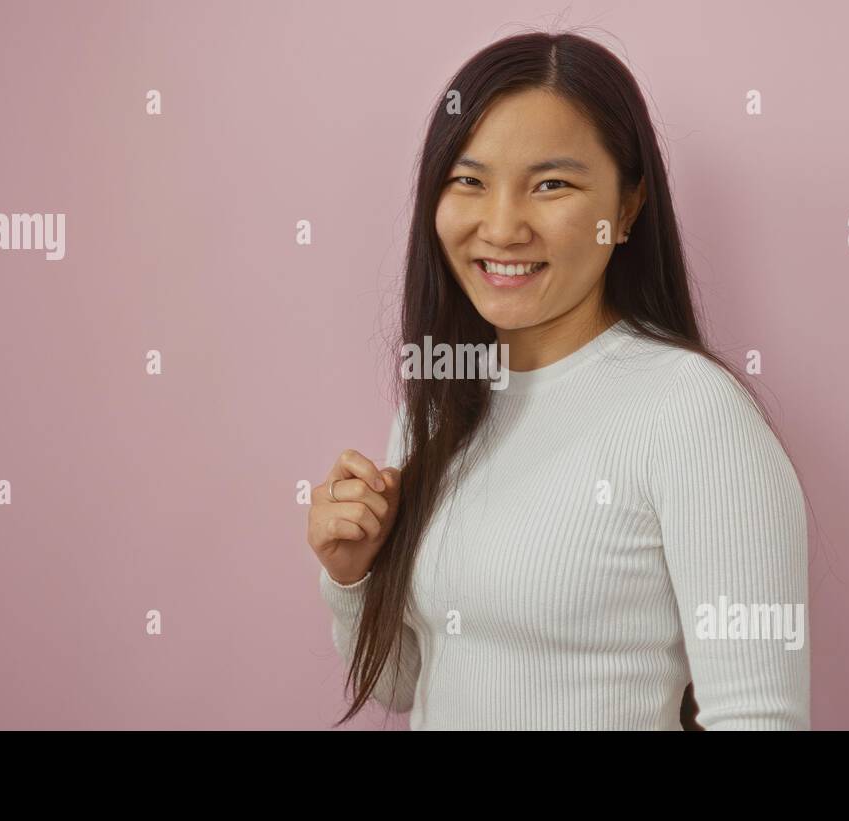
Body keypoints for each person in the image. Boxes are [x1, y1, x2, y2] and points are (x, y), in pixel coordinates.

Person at [306, 30, 811, 730]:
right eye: (468, 181)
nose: (503, 226)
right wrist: (353, 575)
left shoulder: (694, 414)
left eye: (551, 185)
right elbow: (402, 684)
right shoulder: (438, 405)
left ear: (628, 208)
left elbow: (760, 718)